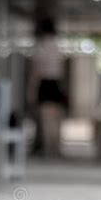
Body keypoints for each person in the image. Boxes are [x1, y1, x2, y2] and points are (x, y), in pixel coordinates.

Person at [28, 18, 67, 158]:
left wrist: (31, 91)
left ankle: (48, 149)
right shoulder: (58, 47)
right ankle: (56, 148)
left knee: (46, 119)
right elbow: (62, 71)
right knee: (56, 119)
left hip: (45, 83)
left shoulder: (41, 47)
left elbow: (35, 73)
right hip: (56, 83)